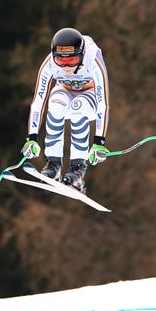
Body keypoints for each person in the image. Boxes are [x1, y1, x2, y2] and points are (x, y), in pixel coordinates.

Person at [21, 27, 110, 194]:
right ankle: (53, 164)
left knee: (78, 107)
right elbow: (38, 101)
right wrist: (31, 137)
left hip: (89, 94)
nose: (66, 66)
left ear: (82, 54)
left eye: (72, 60)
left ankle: (77, 170)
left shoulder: (93, 60)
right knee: (55, 103)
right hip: (65, 90)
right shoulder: (49, 64)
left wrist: (99, 142)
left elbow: (103, 103)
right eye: (61, 62)